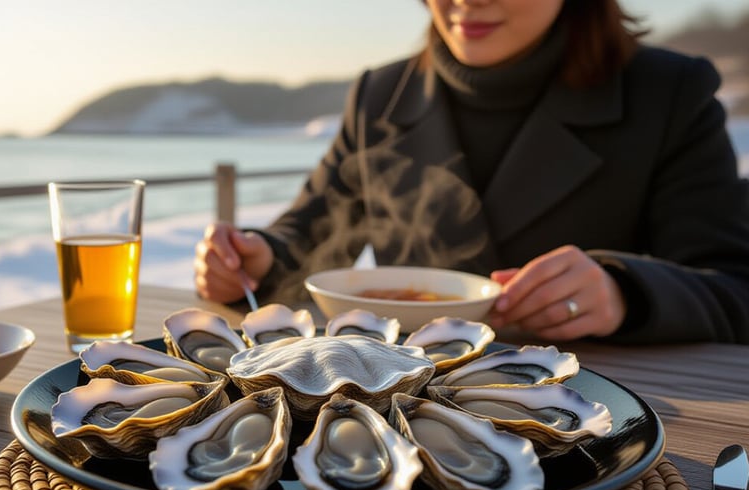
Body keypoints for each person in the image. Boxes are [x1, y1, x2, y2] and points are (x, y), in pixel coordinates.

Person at [194, 0, 749, 344]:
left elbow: (734, 291)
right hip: (404, 413)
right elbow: (310, 237)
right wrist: (254, 258)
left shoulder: (669, 93)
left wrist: (624, 292)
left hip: (606, 423)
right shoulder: (381, 95)